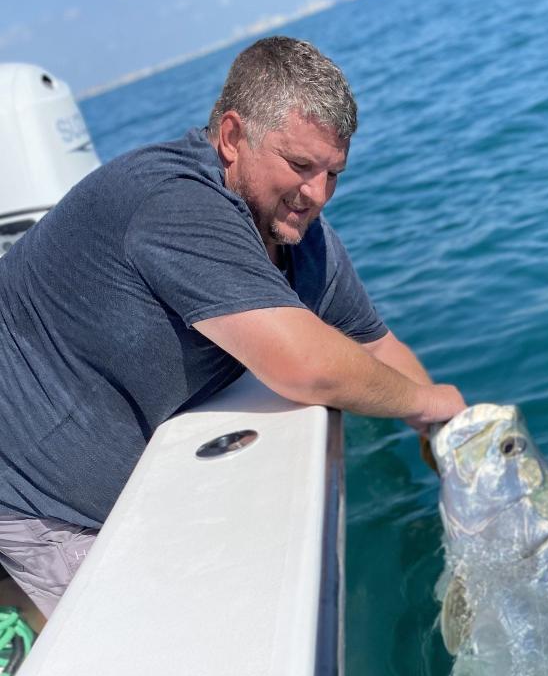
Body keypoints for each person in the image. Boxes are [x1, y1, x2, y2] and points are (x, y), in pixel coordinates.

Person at [0, 36, 466, 618]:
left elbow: (376, 344)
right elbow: (307, 368)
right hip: (38, 498)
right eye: (299, 166)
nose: (316, 195)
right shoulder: (173, 202)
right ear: (230, 138)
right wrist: (423, 399)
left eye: (332, 174)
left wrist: (443, 433)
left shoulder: (299, 237)